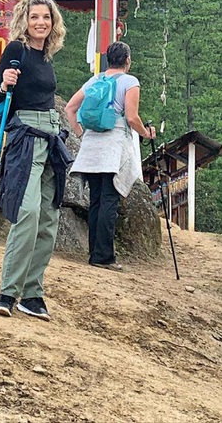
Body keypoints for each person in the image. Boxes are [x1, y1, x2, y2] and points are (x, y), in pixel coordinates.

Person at [0, 0, 72, 322]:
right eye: (35, 17)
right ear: (24, 19)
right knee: (28, 213)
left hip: (51, 137)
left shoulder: (47, 55)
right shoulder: (16, 51)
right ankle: (8, 292)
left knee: (49, 219)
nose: (41, 22)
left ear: (53, 23)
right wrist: (3, 86)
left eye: (46, 18)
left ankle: (33, 293)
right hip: (25, 137)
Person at [64, 41, 155, 271]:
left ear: (108, 60)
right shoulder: (129, 81)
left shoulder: (95, 80)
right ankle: (104, 257)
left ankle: (95, 253)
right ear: (128, 60)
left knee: (96, 200)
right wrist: (146, 134)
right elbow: (132, 118)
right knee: (109, 202)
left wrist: (80, 133)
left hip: (91, 146)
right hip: (113, 147)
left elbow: (70, 108)